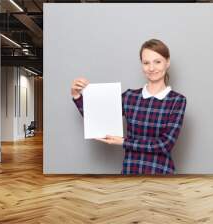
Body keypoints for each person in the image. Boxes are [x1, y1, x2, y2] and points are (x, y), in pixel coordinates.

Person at [71, 39, 186, 174]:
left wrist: (124, 142)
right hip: (130, 172)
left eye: (157, 62)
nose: (151, 68)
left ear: (167, 63)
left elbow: (165, 145)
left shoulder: (177, 101)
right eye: (146, 62)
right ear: (141, 65)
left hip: (161, 174)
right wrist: (77, 96)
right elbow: (98, 117)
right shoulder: (130, 96)